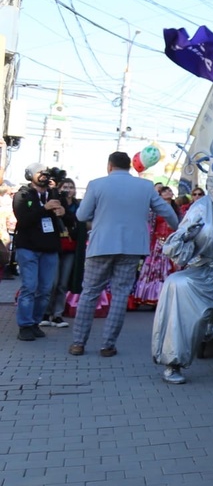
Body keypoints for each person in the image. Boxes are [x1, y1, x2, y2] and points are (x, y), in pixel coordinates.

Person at [151, 154, 213, 384]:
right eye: (210, 182)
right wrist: (185, 238)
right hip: (206, 273)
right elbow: (177, 245)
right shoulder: (200, 207)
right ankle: (173, 361)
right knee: (178, 285)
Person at [69, 153, 179, 358]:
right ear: (129, 166)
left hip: (101, 246)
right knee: (120, 295)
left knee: (90, 293)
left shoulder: (96, 184)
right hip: (132, 248)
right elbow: (166, 211)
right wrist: (178, 229)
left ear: (109, 166)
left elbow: (82, 215)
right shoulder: (145, 186)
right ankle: (107, 345)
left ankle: (78, 343)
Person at [13, 163, 66, 341]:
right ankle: (25, 325)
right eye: (39, 172)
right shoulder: (23, 194)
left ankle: (35, 322)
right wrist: (44, 208)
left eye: (45, 172)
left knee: (45, 289)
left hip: (49, 248)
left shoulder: (52, 194)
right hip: (28, 247)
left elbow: (68, 219)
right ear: (30, 175)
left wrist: (63, 211)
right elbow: (23, 219)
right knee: (29, 287)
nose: (43, 175)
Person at [40, 178, 79, 329]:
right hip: (55, 246)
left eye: (71, 187)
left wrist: (66, 214)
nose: (68, 190)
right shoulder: (55, 201)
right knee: (52, 282)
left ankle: (57, 314)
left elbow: (76, 221)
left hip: (71, 247)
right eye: (65, 187)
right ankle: (45, 312)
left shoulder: (77, 205)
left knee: (63, 283)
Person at [133, 184, 179, 306]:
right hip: (158, 242)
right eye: (164, 191)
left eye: (169, 190)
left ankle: (171, 297)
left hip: (173, 241)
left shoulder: (177, 209)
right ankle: (153, 296)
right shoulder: (154, 210)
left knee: (171, 268)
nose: (168, 192)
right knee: (155, 270)